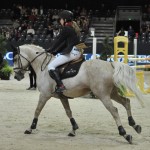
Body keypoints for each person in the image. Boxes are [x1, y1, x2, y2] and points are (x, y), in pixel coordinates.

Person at [47, 10, 82, 93]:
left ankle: (61, 86)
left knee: (51, 66)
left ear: (65, 20)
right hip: (77, 52)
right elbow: (64, 44)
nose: (60, 21)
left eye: (61, 19)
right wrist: (54, 52)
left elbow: (58, 41)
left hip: (72, 53)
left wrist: (50, 49)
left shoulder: (66, 28)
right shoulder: (72, 28)